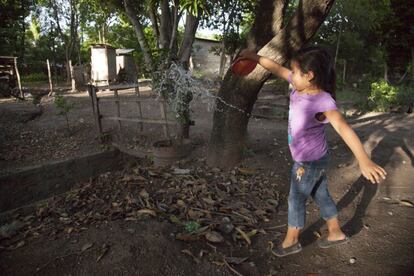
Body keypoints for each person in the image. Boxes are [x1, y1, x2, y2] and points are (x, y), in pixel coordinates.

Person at [237, 47, 387, 257]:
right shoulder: (297, 85)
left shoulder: (322, 100)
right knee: (321, 194)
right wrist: (253, 57)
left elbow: (344, 128)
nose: (291, 74)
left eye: (295, 72)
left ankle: (291, 241)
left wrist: (364, 160)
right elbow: (275, 67)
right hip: (314, 158)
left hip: (309, 161)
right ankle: (335, 232)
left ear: (309, 76)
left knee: (296, 198)